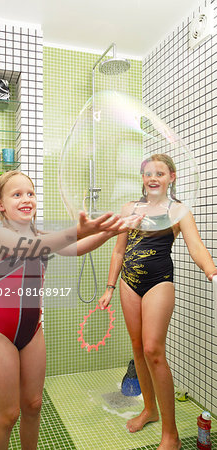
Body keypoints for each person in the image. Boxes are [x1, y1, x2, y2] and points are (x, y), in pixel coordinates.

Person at [0, 170, 142, 450]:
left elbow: (77, 248)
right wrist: (80, 229)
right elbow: (35, 248)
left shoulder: (38, 233)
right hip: (2, 333)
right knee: (8, 414)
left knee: (33, 405)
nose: (26, 199)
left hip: (32, 330)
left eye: (30, 193)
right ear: (0, 204)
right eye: (17, 194)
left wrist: (114, 230)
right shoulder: (0, 235)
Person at [98, 154, 217, 450]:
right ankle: (149, 409)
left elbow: (196, 246)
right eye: (148, 173)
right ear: (142, 178)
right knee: (137, 347)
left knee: (153, 350)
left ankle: (171, 434)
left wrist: (211, 270)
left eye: (159, 173)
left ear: (171, 177)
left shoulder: (178, 212)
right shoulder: (130, 208)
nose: (153, 178)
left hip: (159, 282)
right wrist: (110, 286)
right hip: (128, 282)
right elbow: (118, 251)